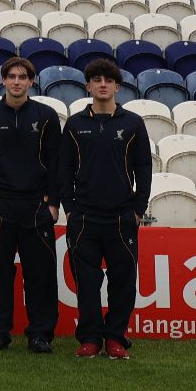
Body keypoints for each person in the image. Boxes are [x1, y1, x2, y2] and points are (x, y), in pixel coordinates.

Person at [57, 59, 151, 361]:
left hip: (122, 216)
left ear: (116, 87)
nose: (102, 85)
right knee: (86, 282)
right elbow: (64, 170)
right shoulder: (75, 124)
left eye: (108, 80)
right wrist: (69, 209)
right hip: (84, 217)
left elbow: (144, 168)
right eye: (96, 80)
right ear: (88, 86)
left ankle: (115, 337)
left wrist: (138, 209)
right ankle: (90, 339)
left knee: (123, 281)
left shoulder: (133, 123)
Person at [0, 56, 64, 353]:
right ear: (2, 80)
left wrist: (53, 204)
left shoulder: (47, 116)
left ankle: (40, 334)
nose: (16, 81)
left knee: (40, 274)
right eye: (11, 76)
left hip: (37, 207)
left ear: (31, 81)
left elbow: (56, 163)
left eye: (22, 77)